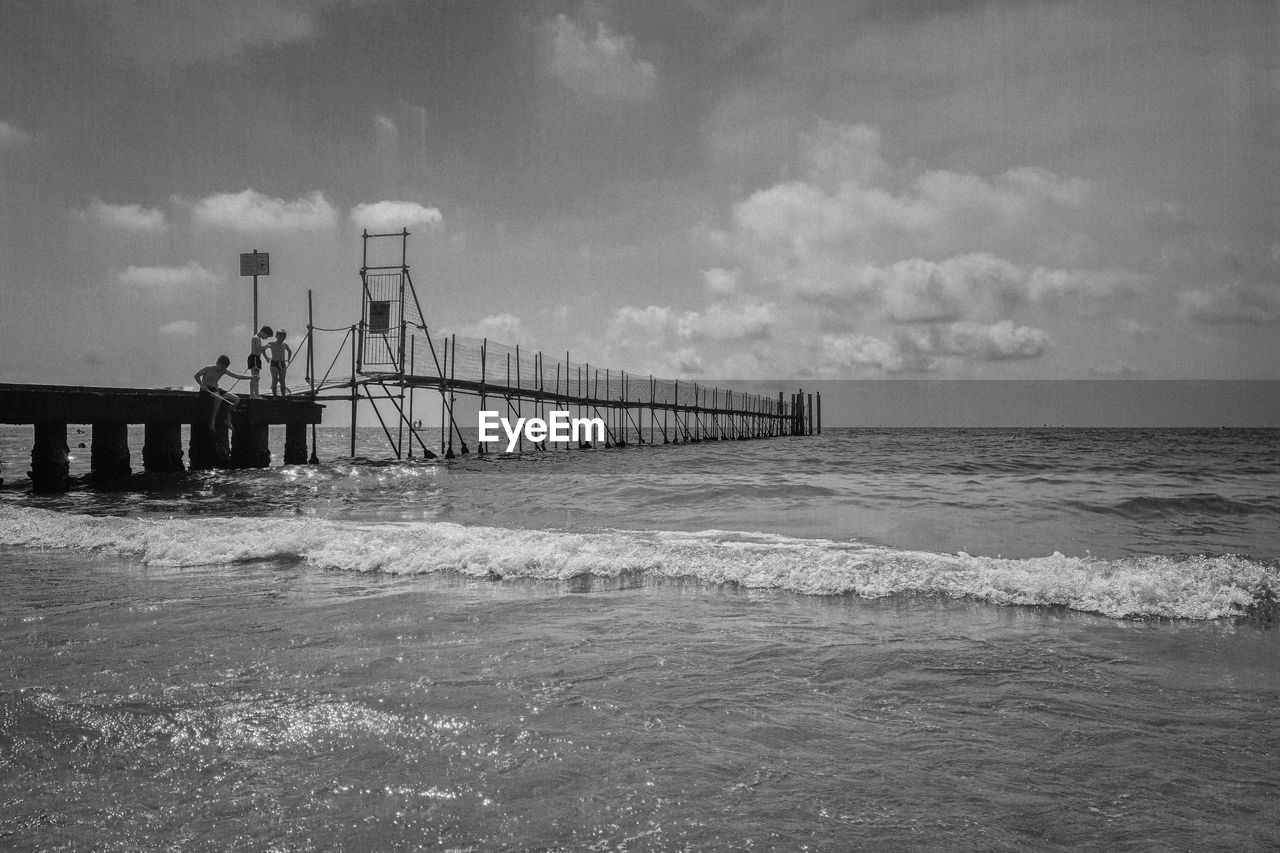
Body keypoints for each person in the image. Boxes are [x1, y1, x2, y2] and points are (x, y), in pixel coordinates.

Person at [194, 355, 251, 430]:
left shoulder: (224, 370)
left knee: (236, 399)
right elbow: (196, 376)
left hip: (216, 389)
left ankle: (227, 419)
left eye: (224, 368)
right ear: (218, 363)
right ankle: (212, 422)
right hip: (206, 389)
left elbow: (237, 376)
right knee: (218, 398)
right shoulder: (208, 368)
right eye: (222, 367)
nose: (222, 369)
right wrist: (202, 385)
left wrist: (251, 377)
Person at [265, 328, 293, 397]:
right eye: (279, 337)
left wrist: (288, 360)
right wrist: (266, 358)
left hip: (282, 364)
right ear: (276, 337)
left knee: (282, 382)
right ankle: (274, 396)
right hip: (274, 364)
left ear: (284, 338)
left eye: (283, 338)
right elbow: (263, 349)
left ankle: (283, 397)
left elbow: (289, 351)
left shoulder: (284, 345)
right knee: (274, 381)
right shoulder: (272, 344)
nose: (281, 339)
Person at [248, 326, 273, 398]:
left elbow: (261, 350)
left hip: (257, 358)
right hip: (254, 358)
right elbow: (260, 348)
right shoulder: (256, 338)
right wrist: (267, 346)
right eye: (267, 336)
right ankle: (254, 394)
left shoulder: (258, 338)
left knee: (255, 377)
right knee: (255, 377)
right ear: (263, 332)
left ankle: (254, 394)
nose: (266, 338)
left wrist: (266, 358)